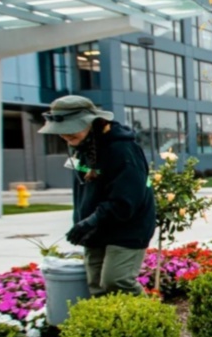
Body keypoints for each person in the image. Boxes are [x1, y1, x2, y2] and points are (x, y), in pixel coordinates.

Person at [38, 95, 156, 297]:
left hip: (128, 225)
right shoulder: (81, 148)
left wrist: (92, 220)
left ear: (91, 123)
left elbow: (127, 199)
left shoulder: (122, 149)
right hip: (95, 228)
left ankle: (155, 323)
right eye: (61, 132)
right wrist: (82, 222)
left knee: (116, 280)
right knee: (96, 286)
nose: (65, 137)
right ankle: (113, 328)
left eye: (70, 131)